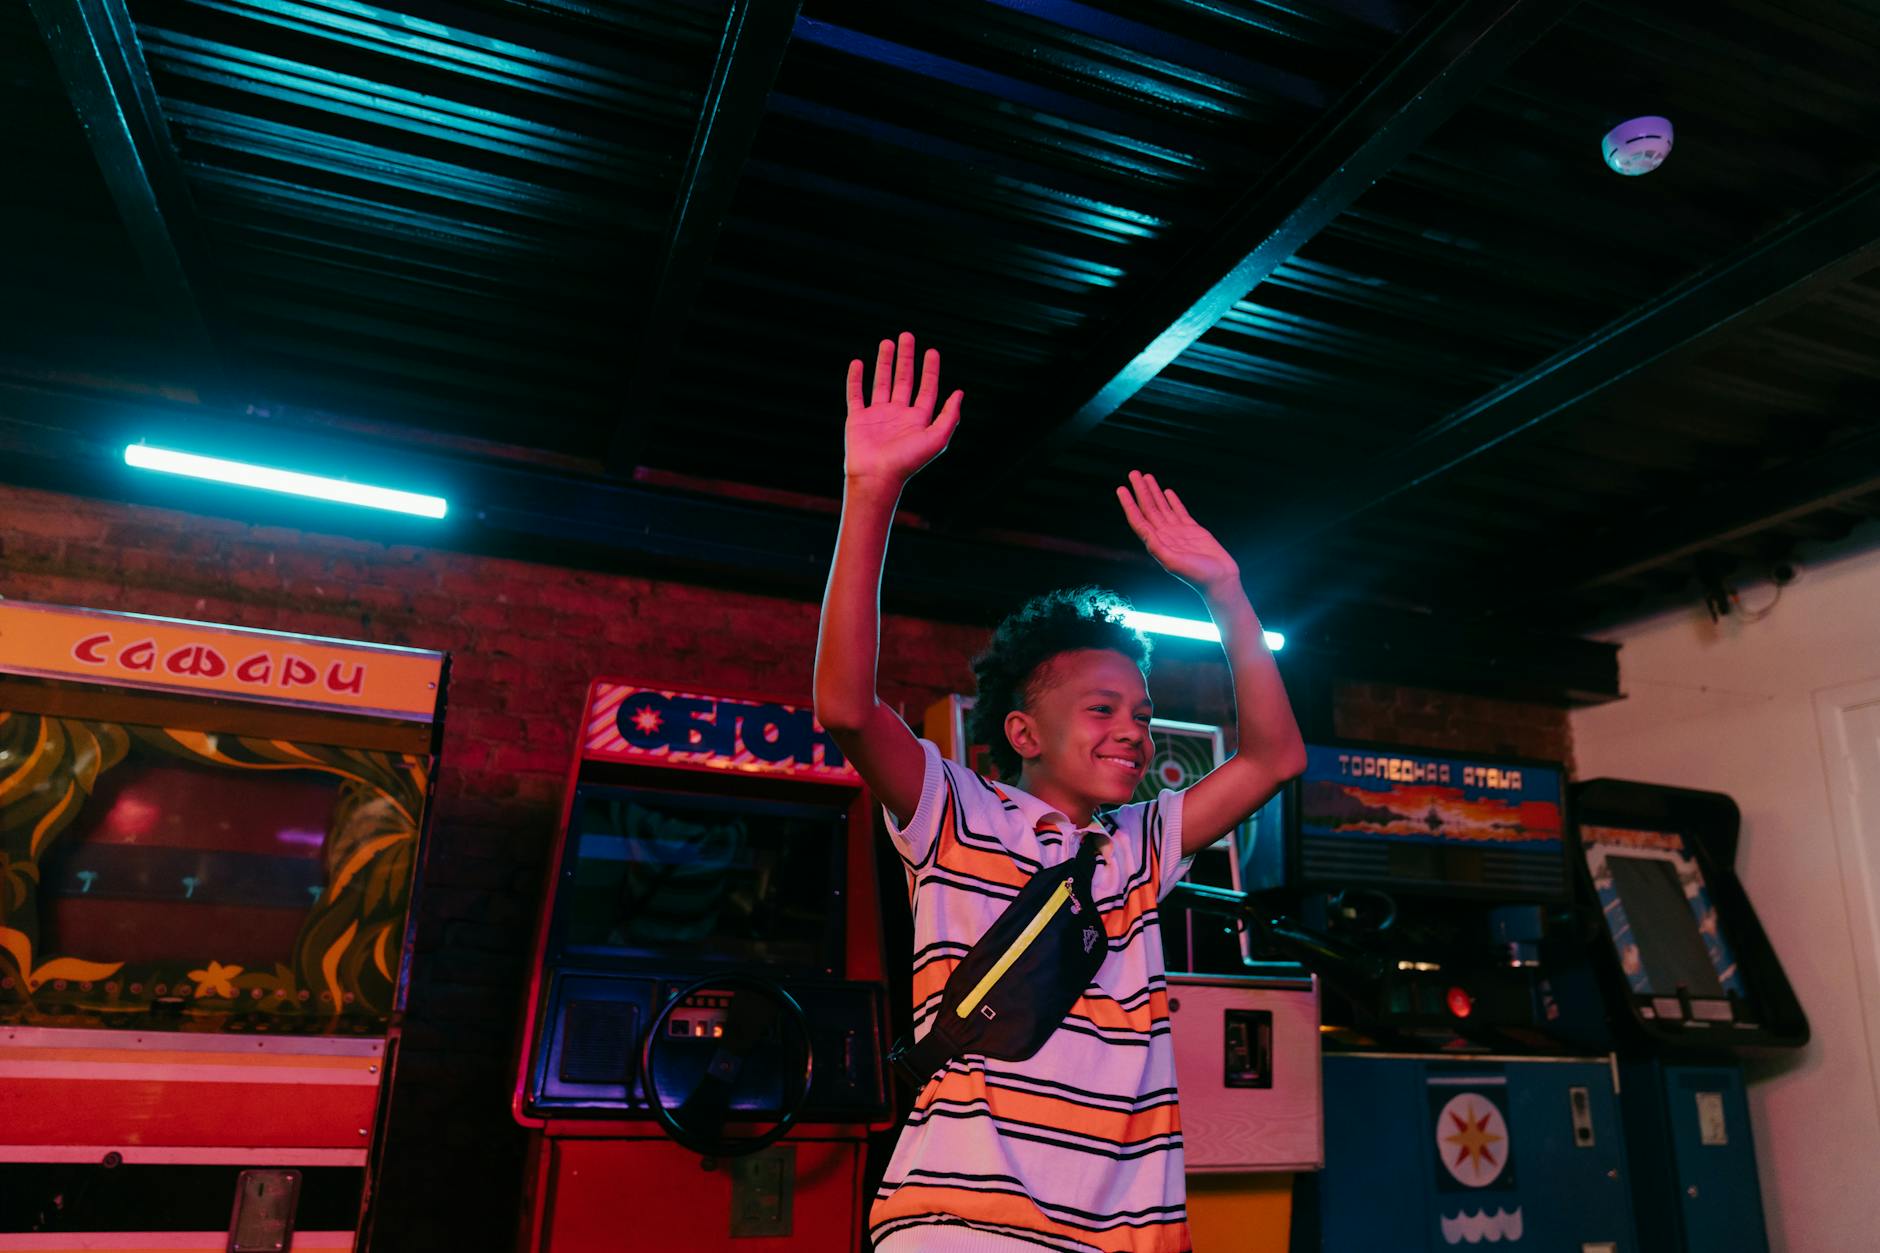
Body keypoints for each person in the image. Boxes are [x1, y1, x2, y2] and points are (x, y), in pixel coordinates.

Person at [814, 333, 1307, 1252]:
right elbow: (844, 705)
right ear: (1023, 733)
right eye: (1102, 707)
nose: (1133, 727)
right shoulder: (955, 813)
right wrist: (871, 493)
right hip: (967, 1227)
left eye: (1143, 710)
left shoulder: (1137, 847)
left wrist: (1227, 591)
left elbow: (1276, 757)